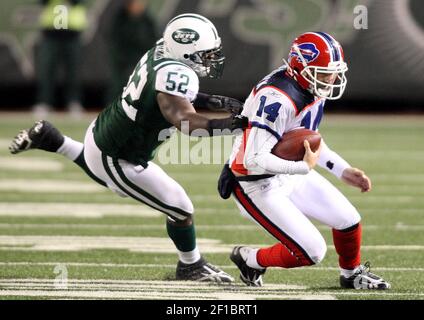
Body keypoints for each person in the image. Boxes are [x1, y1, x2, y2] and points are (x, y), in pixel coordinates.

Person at [10, 13, 247, 283]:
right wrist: (233, 125)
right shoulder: (174, 72)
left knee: (169, 200)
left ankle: (53, 139)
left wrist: (211, 101)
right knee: (179, 208)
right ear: (185, 50)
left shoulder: (161, 51)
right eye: (205, 53)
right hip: (118, 154)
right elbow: (185, 121)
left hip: (107, 129)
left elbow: (166, 94)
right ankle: (191, 266)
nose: (210, 59)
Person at [221, 32, 390, 289]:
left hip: (286, 171)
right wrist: (301, 167)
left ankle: (352, 274)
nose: (330, 79)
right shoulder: (278, 98)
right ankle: (251, 259)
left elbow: (307, 142)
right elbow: (255, 159)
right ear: (300, 68)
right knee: (311, 251)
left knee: (348, 220)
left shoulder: (310, 85)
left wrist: (342, 170)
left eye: (333, 72)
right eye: (323, 73)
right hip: (253, 182)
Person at [34, 0, 88, 118]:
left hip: (72, 31)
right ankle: (45, 102)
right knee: (47, 69)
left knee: (74, 70)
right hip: (51, 31)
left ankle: (74, 102)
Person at [107, 0, 158, 102]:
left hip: (142, 59)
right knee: (118, 86)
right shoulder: (120, 19)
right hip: (123, 60)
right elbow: (114, 40)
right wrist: (120, 59)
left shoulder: (148, 20)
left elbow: (153, 40)